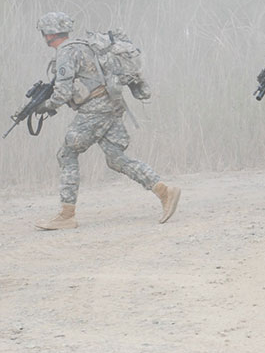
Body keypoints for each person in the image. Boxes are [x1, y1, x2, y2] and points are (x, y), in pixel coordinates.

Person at [32, 12, 181, 230]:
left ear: (49, 34)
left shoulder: (66, 52)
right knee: (116, 159)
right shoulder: (84, 45)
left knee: (67, 153)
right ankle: (164, 191)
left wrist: (43, 106)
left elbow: (62, 93)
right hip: (112, 105)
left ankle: (66, 215)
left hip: (95, 111)